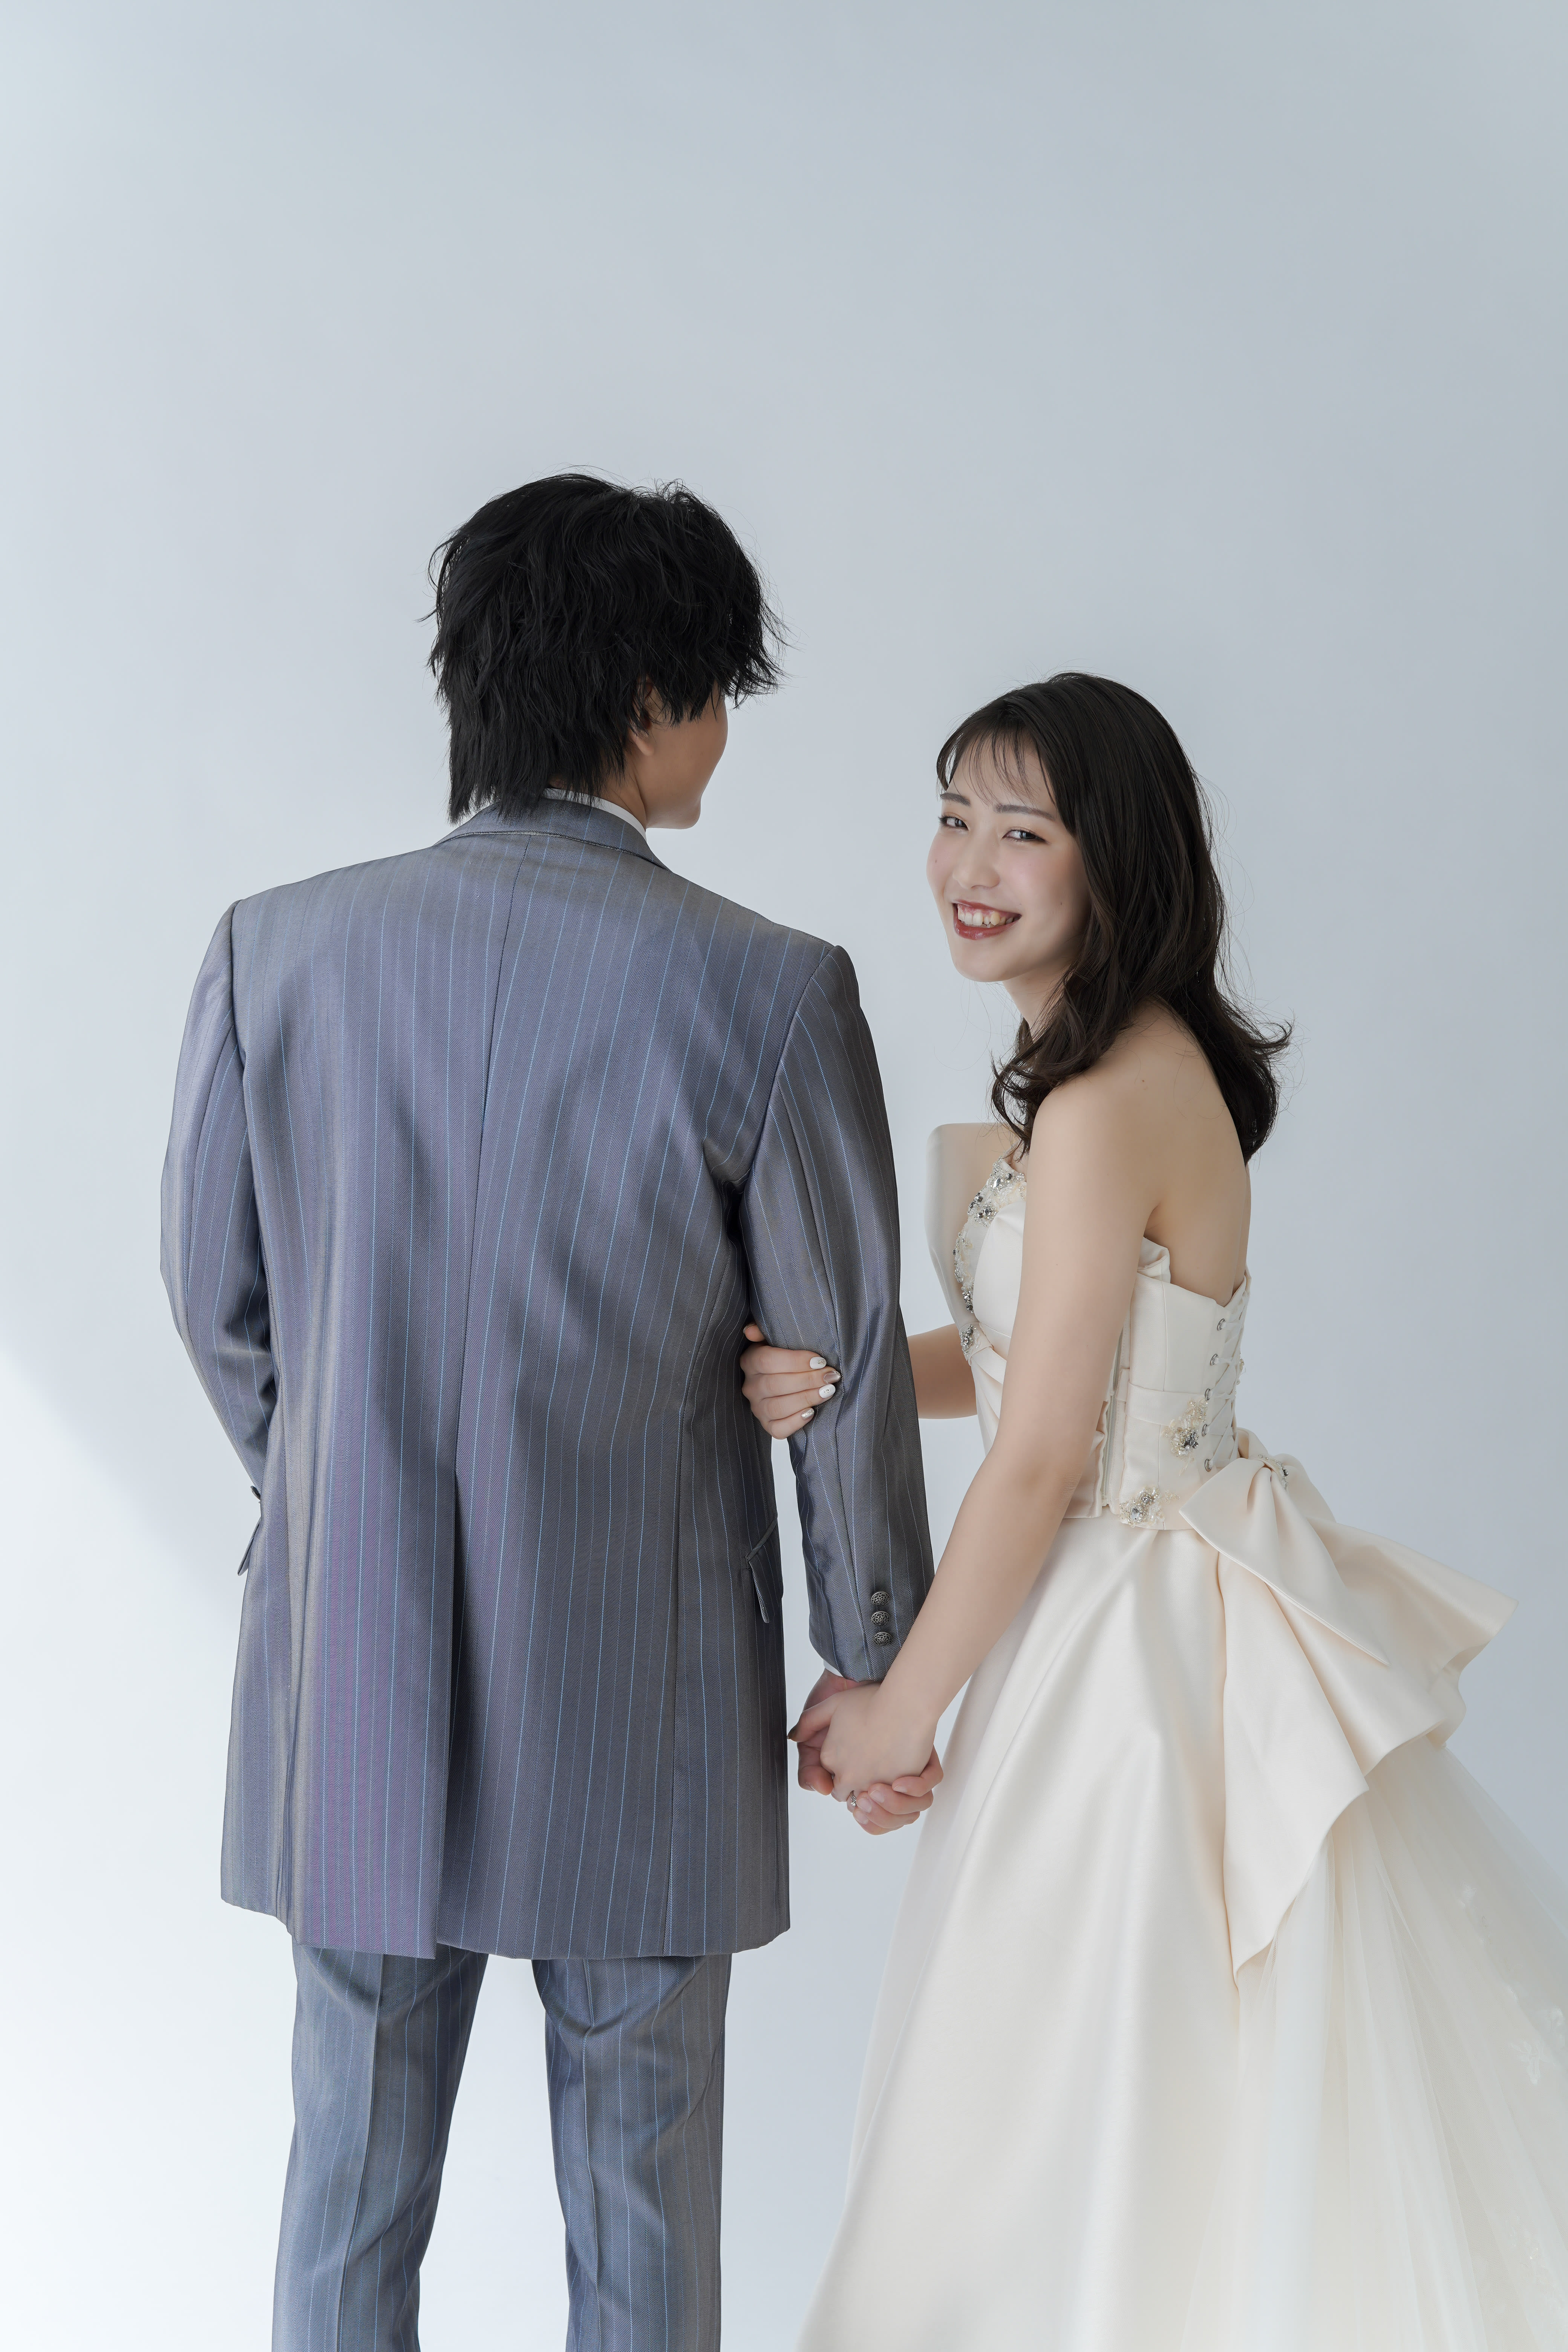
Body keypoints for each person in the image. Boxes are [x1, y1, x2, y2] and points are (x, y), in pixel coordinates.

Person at [159, 473, 939, 2352]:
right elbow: (833, 1358)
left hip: (354, 1667)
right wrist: (876, 1661)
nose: (722, 731)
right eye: (716, 691)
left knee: (345, 2198)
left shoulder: (279, 949)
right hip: (643, 1694)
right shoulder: (768, 989)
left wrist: (334, 1488)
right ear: (650, 700)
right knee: (641, 2212)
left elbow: (215, 1298)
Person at [741, 673, 1568, 2348]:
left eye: (1021, 832)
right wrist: (841, 1381)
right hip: (1133, 1602)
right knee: (1104, 2083)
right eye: (953, 817)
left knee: (1057, 2103)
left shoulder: (1109, 1098)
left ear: (1114, 861)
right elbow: (1033, 1367)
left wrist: (904, 1708)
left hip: (1117, 1639)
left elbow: (1047, 1453)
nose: (968, 864)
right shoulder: (1118, 1071)